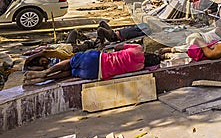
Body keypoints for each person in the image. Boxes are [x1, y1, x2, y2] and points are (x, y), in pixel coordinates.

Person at [23, 43, 161, 85]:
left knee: (70, 62)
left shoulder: (138, 49)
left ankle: (45, 72)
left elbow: (119, 47)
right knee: (70, 72)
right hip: (96, 74)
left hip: (98, 58)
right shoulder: (140, 67)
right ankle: (45, 79)